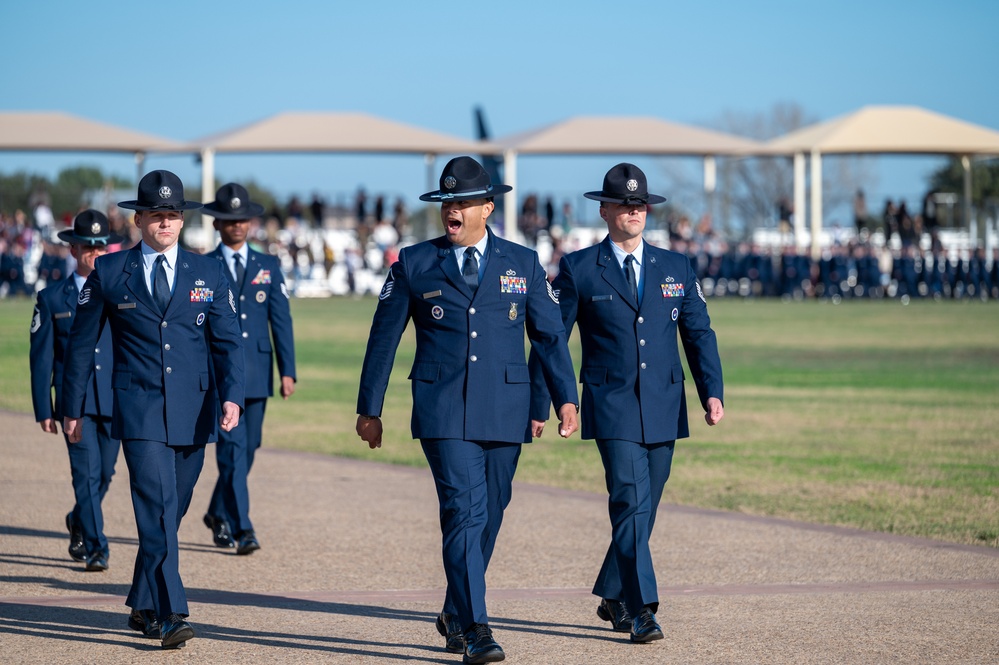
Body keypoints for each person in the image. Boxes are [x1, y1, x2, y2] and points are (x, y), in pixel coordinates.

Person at [355, 156, 579, 664]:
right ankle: (476, 627)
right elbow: (382, 340)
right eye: (446, 202)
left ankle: (456, 608)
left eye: (461, 203)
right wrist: (370, 408)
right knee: (463, 511)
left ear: (486, 208)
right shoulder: (413, 264)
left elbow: (548, 335)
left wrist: (566, 397)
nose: (451, 211)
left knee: (491, 512)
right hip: (443, 411)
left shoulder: (522, 263)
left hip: (506, 407)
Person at [530, 163, 725, 644]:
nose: (635, 211)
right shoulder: (578, 268)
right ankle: (641, 609)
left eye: (641, 204)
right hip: (610, 402)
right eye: (625, 204)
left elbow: (698, 333)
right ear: (605, 210)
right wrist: (546, 400)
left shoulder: (676, 267)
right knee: (629, 501)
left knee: (645, 506)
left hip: (664, 401)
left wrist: (712, 390)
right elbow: (553, 338)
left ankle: (614, 593)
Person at [61, 170, 245, 650]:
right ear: (138, 219)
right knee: (157, 509)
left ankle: (143, 600)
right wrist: (72, 405)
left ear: (182, 222)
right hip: (138, 410)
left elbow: (227, 340)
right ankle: (169, 612)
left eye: (172, 215)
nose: (165, 222)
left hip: (196, 409)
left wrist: (232, 395)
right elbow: (80, 346)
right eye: (156, 215)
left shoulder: (208, 272)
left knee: (173, 511)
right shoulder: (109, 272)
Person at [201, 183, 296, 555]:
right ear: (217, 224)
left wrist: (288, 369)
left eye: (242, 219)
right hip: (222, 374)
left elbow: (281, 320)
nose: (237, 225)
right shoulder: (204, 266)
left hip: (257, 371)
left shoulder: (267, 266)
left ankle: (215, 510)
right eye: (229, 220)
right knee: (232, 451)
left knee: (249, 447)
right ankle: (243, 528)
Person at [30, 210, 123, 571]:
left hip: (115, 397)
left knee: (105, 475)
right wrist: (44, 408)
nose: (95, 253)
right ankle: (98, 547)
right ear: (72, 250)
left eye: (101, 246)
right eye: (88, 247)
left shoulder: (121, 291)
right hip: (75, 402)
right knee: (85, 474)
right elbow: (41, 358)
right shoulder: (52, 298)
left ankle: (79, 518)